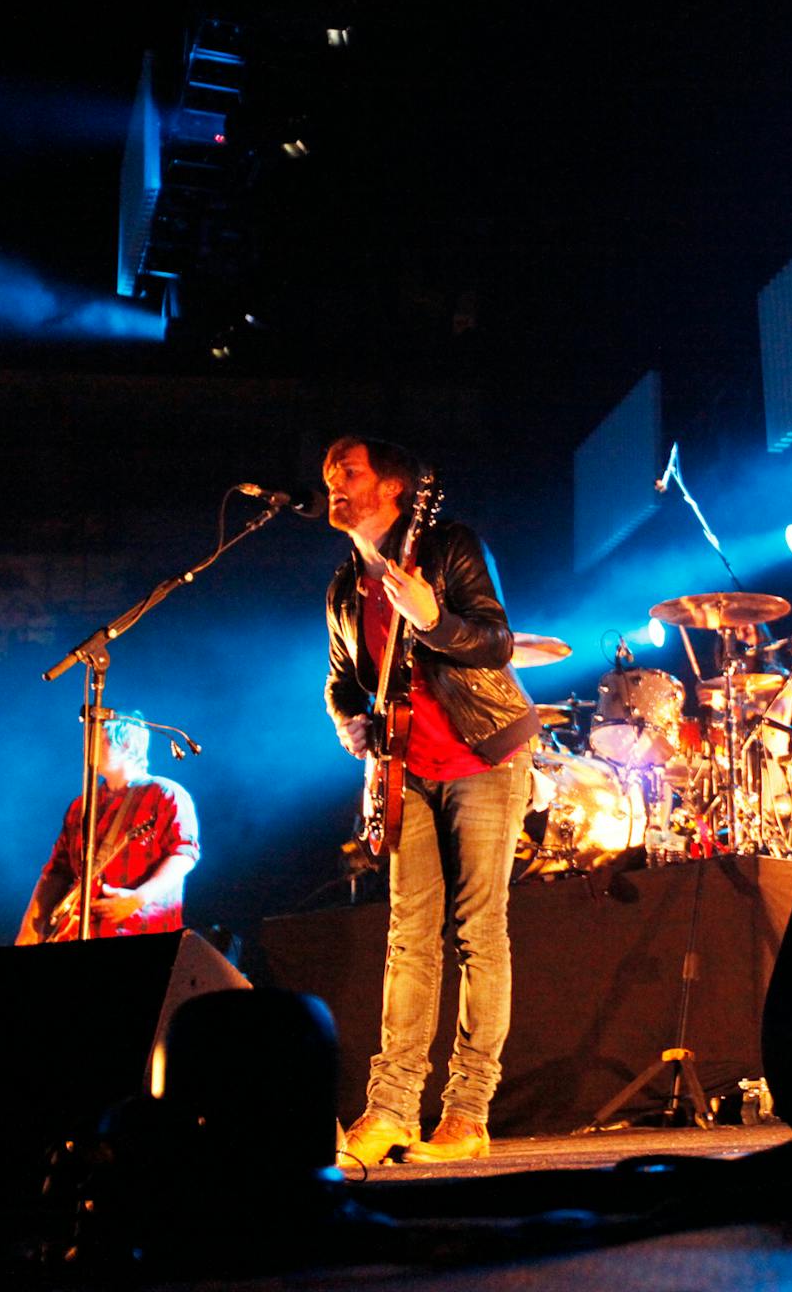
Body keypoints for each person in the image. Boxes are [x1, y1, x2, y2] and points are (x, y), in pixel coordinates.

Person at [322, 436, 540, 1166]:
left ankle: (467, 1114)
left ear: (393, 488)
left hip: (482, 754)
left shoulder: (447, 548)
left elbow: (497, 642)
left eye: (347, 474)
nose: (333, 486)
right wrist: (347, 720)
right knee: (409, 937)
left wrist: (432, 619)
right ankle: (389, 1111)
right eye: (328, 477)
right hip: (405, 768)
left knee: (480, 931)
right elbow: (342, 683)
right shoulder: (344, 585)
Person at [15, 714, 198, 944]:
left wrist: (138, 898)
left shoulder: (164, 793)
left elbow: (184, 854)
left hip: (141, 934)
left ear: (127, 744)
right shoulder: (82, 806)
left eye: (96, 740)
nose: (86, 748)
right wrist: (29, 930)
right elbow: (56, 872)